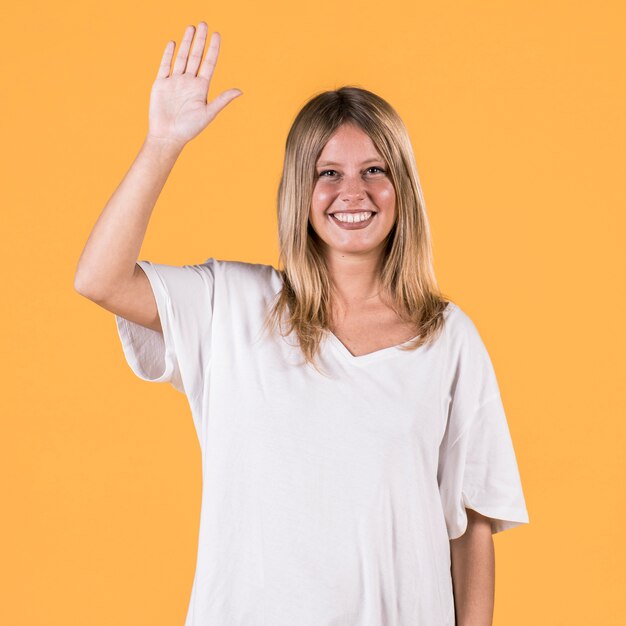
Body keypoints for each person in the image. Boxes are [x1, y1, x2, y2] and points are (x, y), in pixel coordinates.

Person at [74, 20, 530, 626]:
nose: (353, 192)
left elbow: (472, 524)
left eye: (375, 170)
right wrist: (162, 144)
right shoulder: (232, 307)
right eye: (328, 173)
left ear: (402, 187)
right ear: (301, 190)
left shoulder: (447, 338)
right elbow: (99, 278)